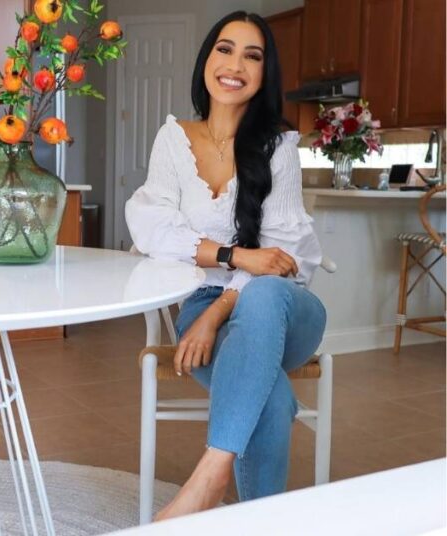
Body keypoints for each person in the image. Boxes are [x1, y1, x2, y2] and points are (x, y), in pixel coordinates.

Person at [124, 11, 326, 520]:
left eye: (252, 56)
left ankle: (209, 479)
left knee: (263, 291)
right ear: (206, 59)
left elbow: (280, 260)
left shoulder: (279, 150)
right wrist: (236, 255)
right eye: (225, 48)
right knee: (273, 403)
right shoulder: (173, 140)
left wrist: (218, 315)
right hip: (203, 302)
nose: (235, 64)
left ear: (264, 74)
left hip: (286, 309)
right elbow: (151, 229)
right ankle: (259, 521)